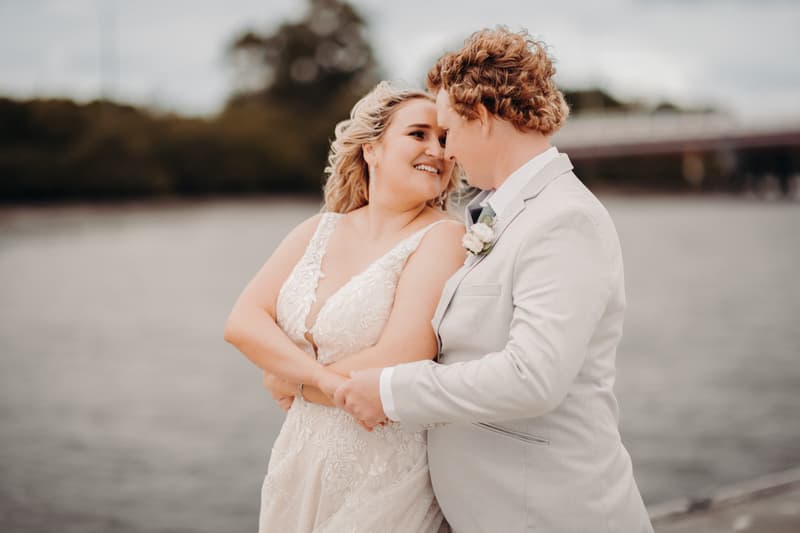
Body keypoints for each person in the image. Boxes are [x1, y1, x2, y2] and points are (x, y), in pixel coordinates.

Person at [334, 28, 655, 532]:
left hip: (553, 516)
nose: (448, 153)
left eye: (449, 131)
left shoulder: (565, 220)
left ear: (480, 118)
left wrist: (393, 390)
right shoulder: (505, 215)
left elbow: (533, 378)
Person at [223, 81, 466, 532]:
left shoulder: (443, 237)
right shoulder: (319, 229)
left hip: (383, 468)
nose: (438, 150)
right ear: (372, 149)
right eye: (418, 134)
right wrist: (314, 377)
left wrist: (292, 382)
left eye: (445, 139)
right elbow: (242, 321)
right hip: (300, 456)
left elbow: (404, 352)